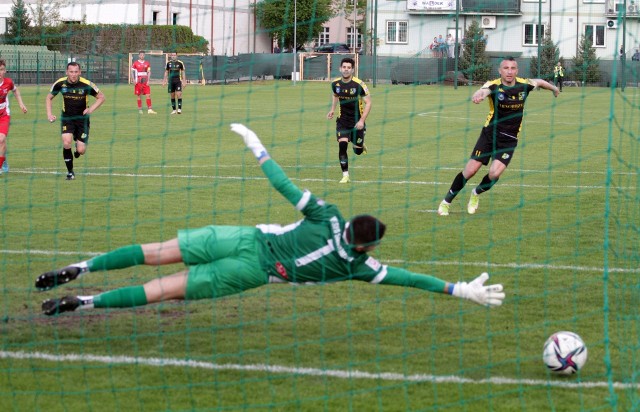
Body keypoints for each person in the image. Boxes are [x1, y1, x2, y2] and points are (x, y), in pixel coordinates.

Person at [35, 123, 505, 316]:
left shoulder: (328, 215)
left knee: (155, 253)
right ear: (367, 246)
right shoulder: (358, 267)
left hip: (241, 237)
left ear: (349, 227)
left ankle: (84, 265)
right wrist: (456, 288)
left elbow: (283, 185)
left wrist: (255, 144)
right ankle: (86, 301)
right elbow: (406, 279)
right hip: (251, 272)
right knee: (164, 289)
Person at [437, 57, 559, 216]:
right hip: (490, 134)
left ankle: (476, 193)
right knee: (470, 170)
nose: (509, 71)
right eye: (506, 68)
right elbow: (483, 90)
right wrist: (478, 95)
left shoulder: (524, 84)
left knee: (494, 174)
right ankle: (446, 202)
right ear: (500, 71)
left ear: (517, 70)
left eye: (513, 68)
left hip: (509, 139)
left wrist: (554, 89)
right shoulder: (493, 85)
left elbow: (541, 82)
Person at [46, 62, 105, 181]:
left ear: (80, 72)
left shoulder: (86, 84)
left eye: (76, 72)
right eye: (71, 72)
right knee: (66, 142)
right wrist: (49, 114)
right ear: (67, 72)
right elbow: (49, 97)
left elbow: (101, 97)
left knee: (81, 150)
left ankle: (77, 150)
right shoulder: (60, 83)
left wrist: (90, 109)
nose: (73, 74)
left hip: (82, 120)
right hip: (67, 118)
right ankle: (70, 172)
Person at [327, 57, 372, 183]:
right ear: (340, 68)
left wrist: (362, 121)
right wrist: (332, 110)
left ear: (352, 70)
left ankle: (360, 145)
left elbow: (368, 103)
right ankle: (345, 175)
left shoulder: (359, 84)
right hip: (343, 121)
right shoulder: (335, 84)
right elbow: (335, 95)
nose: (346, 70)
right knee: (342, 146)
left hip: (357, 122)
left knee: (357, 151)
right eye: (344, 67)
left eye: (348, 68)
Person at [0, 59, 28, 176]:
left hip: (4, 115)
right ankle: (4, 159)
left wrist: (21, 104)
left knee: (1, 139)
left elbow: (15, 91)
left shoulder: (8, 82)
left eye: (1, 69)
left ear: (5, 71)